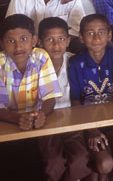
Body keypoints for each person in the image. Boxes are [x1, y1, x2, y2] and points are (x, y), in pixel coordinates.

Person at [0, 14, 62, 179]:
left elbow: (50, 97)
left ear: (34, 40)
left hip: (36, 123)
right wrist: (18, 119)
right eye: (11, 41)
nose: (18, 46)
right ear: (2, 44)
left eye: (24, 39)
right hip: (7, 123)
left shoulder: (41, 57)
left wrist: (42, 114)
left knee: (41, 164)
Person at [68, 14, 113, 180]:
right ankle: (97, 173)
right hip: (90, 124)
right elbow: (75, 100)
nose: (96, 38)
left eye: (101, 32)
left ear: (109, 35)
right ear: (81, 37)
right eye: (89, 33)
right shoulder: (75, 63)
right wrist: (92, 130)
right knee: (105, 164)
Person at [37, 17, 91, 181]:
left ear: (68, 41)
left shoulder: (75, 62)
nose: (56, 45)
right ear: (39, 42)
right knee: (54, 162)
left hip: (72, 122)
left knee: (80, 158)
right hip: (45, 123)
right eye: (49, 40)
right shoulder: (35, 64)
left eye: (61, 39)